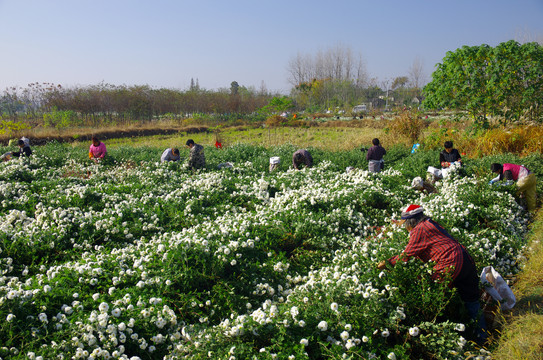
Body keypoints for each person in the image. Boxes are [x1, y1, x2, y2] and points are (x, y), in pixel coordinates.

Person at [378, 204, 486, 341]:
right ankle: (482, 338)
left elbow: (407, 255)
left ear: (410, 222)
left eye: (405, 224)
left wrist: (386, 263)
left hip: (450, 264)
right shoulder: (430, 223)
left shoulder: (420, 230)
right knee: (472, 301)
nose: (405, 228)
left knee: (430, 295)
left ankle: (441, 334)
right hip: (464, 260)